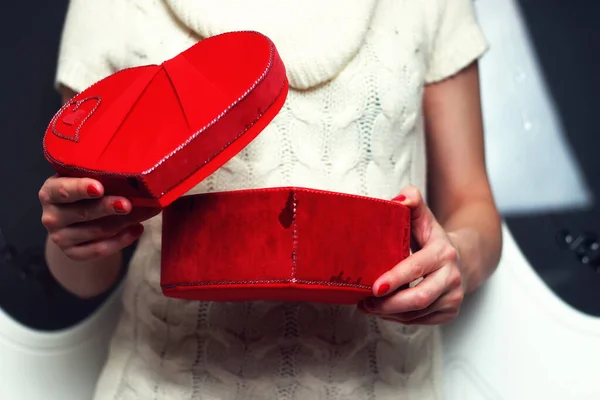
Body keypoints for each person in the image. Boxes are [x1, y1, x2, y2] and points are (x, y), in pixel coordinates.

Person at [38, 0, 502, 398]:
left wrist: (452, 257)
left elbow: (472, 204)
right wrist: (76, 237)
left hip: (385, 382)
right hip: (166, 380)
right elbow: (85, 276)